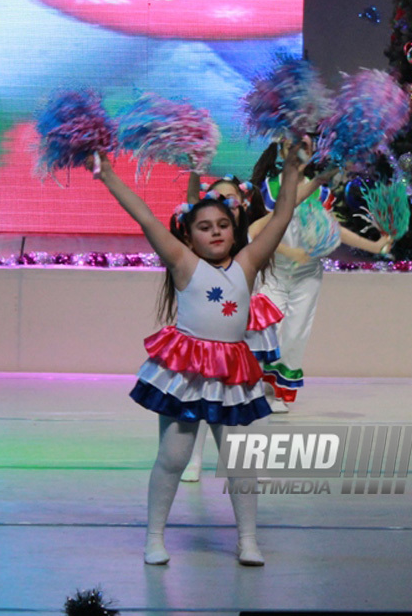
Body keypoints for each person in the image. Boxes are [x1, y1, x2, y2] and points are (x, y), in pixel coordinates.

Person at [87, 145, 302, 566]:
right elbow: (145, 216)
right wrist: (108, 175)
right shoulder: (182, 262)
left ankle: (248, 539)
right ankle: (154, 537)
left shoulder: (247, 263)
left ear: (234, 229)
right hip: (186, 372)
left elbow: (281, 218)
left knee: (240, 462)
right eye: (204, 227)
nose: (216, 232)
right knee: (173, 457)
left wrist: (292, 171)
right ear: (188, 235)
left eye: (223, 224)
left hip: (231, 374)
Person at [250, 141, 392, 409]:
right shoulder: (270, 189)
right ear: (282, 152)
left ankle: (282, 393)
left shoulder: (322, 192)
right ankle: (256, 384)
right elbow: (259, 231)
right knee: (266, 328)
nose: (300, 152)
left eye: (305, 147)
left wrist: (374, 245)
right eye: (292, 147)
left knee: (296, 333)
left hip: (308, 274)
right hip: (274, 271)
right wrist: (289, 252)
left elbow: (332, 228)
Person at [180, 172, 284, 482]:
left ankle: (252, 459)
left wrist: (311, 178)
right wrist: (194, 170)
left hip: (248, 325)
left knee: (253, 393)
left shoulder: (252, 235)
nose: (225, 206)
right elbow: (190, 207)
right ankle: (194, 458)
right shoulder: (203, 244)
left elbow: (286, 209)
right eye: (216, 201)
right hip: (210, 330)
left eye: (231, 201)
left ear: (242, 205)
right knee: (200, 392)